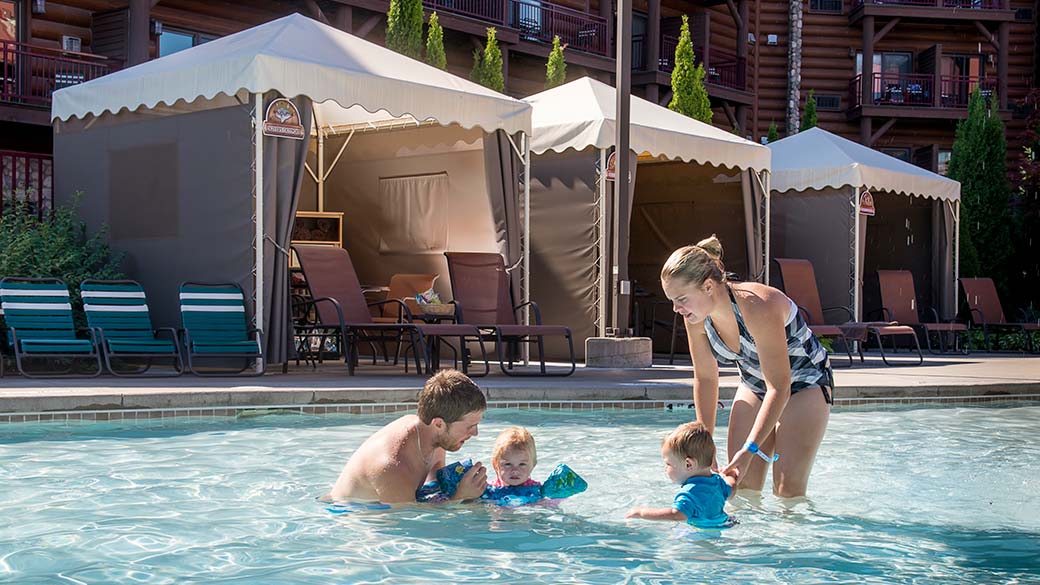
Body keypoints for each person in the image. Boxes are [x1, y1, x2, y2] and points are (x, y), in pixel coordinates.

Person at [660, 235, 832, 498]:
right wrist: (704, 447)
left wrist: (750, 449)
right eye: (672, 300)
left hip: (804, 383)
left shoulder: (757, 305)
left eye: (681, 298)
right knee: (739, 485)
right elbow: (706, 378)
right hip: (754, 384)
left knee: (787, 491)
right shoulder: (696, 317)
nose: (676, 308)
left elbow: (779, 387)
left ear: (708, 286)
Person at [325, 369, 489, 504]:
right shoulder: (393, 467)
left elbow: (434, 484)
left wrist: (459, 485)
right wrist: (460, 497)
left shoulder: (433, 435)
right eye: (470, 426)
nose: (475, 433)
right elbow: (411, 520)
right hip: (352, 515)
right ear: (439, 424)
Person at [625, 421, 737, 528]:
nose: (665, 468)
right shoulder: (717, 482)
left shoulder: (690, 493)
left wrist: (641, 512)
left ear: (688, 464)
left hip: (700, 531)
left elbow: (676, 515)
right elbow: (731, 489)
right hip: (722, 524)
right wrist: (731, 474)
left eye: (668, 464)